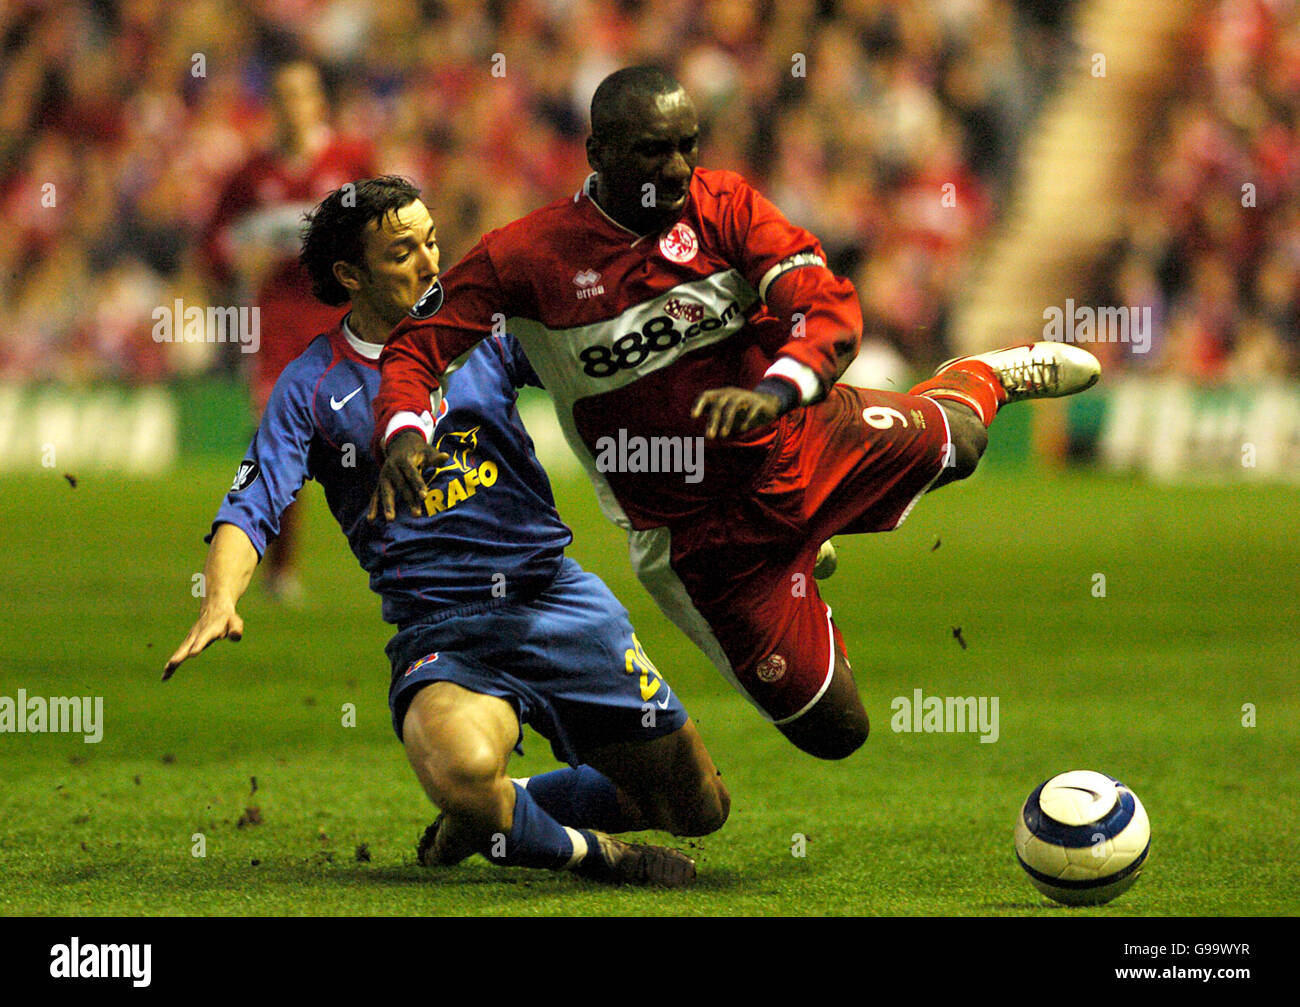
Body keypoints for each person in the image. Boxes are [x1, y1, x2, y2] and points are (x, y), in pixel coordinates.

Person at [370, 66, 1100, 762]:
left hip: (798, 441)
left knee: (966, 443)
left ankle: (981, 374)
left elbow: (825, 303)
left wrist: (777, 391)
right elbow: (413, 348)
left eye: (689, 144)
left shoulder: (725, 207)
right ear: (597, 153)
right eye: (654, 150)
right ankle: (799, 567)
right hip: (698, 542)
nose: (679, 166)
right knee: (837, 730)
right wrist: (404, 430)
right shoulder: (525, 258)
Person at [168, 176, 728, 886]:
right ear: (351, 275)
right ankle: (599, 855)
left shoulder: (484, 332)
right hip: (441, 631)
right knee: (463, 770)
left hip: (556, 600)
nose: (432, 263)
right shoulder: (311, 385)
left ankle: (509, 808)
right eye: (403, 251)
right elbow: (250, 505)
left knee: (698, 805)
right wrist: (220, 597)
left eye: (433, 241)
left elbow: (592, 357)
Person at [200, 60, 376, 602]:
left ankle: (404, 554)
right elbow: (213, 242)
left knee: (372, 438)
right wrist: (236, 261)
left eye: (301, 94)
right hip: (275, 323)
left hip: (340, 318)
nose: (291, 105)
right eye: (281, 94)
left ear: (319, 102)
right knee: (281, 444)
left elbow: (386, 226)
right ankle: (282, 573)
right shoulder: (252, 174)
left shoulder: (350, 159)